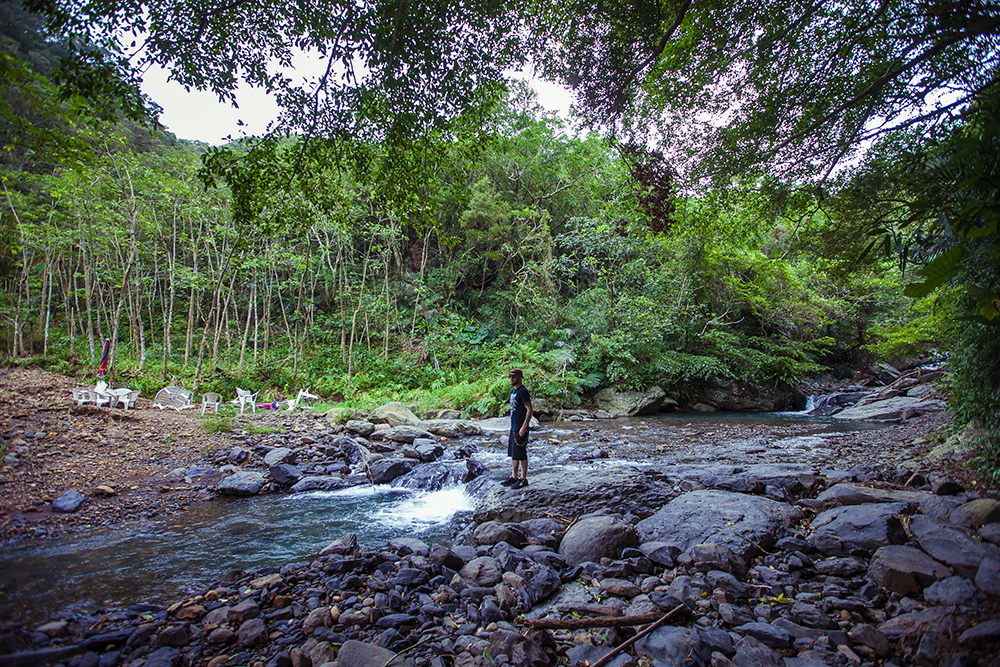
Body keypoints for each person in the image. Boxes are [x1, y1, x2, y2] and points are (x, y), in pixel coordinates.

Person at [501, 368, 532, 489]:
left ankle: (523, 478)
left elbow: (530, 409)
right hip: (513, 427)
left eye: (513, 377)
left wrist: (525, 426)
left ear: (519, 377)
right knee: (514, 453)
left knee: (521, 453)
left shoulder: (523, 391)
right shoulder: (514, 391)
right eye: (510, 377)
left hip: (520, 427)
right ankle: (514, 476)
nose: (511, 379)